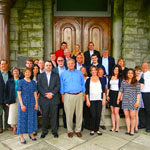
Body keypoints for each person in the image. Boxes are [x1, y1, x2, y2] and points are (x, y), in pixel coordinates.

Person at [60, 58, 85, 138]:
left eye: (72, 63)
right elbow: (62, 85)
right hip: (68, 95)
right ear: (67, 64)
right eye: (69, 63)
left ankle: (78, 130)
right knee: (69, 114)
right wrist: (62, 96)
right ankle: (70, 130)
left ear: (74, 64)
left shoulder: (79, 73)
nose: (70, 65)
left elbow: (82, 83)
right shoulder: (63, 74)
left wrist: (83, 94)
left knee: (79, 114)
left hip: (79, 95)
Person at [38, 61, 60, 138]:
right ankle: (44, 131)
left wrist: (52, 93)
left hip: (54, 98)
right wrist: (45, 94)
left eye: (50, 65)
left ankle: (54, 131)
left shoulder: (56, 75)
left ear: (51, 66)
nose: (48, 66)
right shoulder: (40, 76)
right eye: (47, 65)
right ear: (44, 66)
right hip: (44, 99)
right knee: (45, 116)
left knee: (54, 116)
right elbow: (39, 87)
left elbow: (58, 86)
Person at [17, 68, 38, 144]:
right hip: (24, 103)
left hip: (32, 103)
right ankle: (21, 136)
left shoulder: (33, 82)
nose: (27, 74)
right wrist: (22, 104)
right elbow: (19, 94)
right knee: (22, 119)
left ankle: (31, 133)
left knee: (31, 118)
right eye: (26, 72)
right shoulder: (21, 82)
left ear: (31, 73)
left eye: (29, 72)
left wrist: (36, 103)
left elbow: (35, 93)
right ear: (24, 73)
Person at [117, 69, 140, 136]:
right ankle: (128, 129)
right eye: (129, 73)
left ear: (133, 74)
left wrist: (137, 102)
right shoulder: (124, 82)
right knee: (126, 116)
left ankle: (132, 130)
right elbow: (121, 91)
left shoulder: (136, 82)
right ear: (127, 74)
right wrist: (118, 99)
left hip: (133, 101)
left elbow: (138, 93)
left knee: (132, 116)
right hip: (125, 101)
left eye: (131, 73)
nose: (130, 74)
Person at [85, 66, 105, 135]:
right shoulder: (88, 80)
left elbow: (103, 91)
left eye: (95, 70)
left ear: (97, 71)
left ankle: (97, 129)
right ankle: (92, 129)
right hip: (91, 100)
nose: (93, 71)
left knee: (98, 115)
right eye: (92, 70)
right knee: (93, 115)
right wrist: (87, 100)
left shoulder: (101, 79)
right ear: (90, 72)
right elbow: (86, 91)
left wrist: (104, 99)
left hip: (99, 99)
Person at [107, 65, 122, 132]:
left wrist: (119, 98)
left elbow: (122, 89)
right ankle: (113, 126)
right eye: (115, 69)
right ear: (113, 70)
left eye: (117, 70)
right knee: (112, 111)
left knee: (116, 112)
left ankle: (117, 127)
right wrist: (107, 95)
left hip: (117, 94)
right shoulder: (110, 77)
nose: (116, 71)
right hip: (111, 94)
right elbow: (108, 87)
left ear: (119, 71)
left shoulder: (121, 78)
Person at [52, 57, 67, 128]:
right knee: (56, 110)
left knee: (66, 109)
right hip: (57, 93)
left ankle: (66, 124)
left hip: (66, 92)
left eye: (62, 60)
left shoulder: (67, 69)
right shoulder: (54, 70)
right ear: (57, 61)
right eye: (59, 60)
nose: (60, 62)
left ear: (64, 61)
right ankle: (56, 125)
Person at [5, 67, 20, 135]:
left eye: (17, 71)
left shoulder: (22, 80)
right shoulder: (9, 81)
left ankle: (19, 127)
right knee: (13, 114)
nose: (16, 72)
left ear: (19, 72)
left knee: (19, 114)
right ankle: (14, 127)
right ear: (12, 73)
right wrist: (7, 101)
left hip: (20, 99)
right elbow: (7, 92)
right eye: (14, 71)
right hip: (12, 99)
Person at [0, 59, 12, 133]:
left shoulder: (10, 74)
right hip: (0, 96)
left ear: (7, 65)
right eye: (2, 64)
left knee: (8, 112)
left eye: (5, 64)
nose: (3, 65)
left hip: (8, 97)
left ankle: (7, 126)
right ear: (0, 65)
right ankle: (0, 127)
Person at [135, 66, 144, 133]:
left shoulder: (141, 79)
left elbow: (140, 89)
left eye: (139, 71)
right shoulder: (132, 78)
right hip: (131, 96)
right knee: (131, 112)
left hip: (137, 96)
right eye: (137, 70)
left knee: (136, 113)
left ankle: (136, 127)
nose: (137, 72)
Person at [141, 62, 150, 132]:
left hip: (147, 94)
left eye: (145, 66)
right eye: (143, 66)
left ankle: (148, 126)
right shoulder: (141, 74)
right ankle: (142, 124)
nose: (144, 67)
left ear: (148, 67)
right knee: (141, 110)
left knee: (148, 110)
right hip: (140, 94)